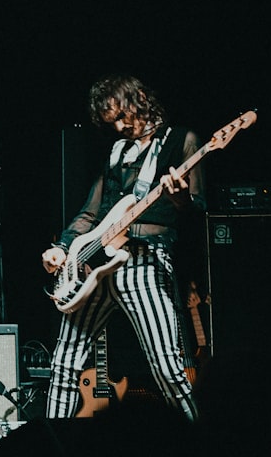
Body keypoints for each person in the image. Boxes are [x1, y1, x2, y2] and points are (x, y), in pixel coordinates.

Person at [41, 75, 203, 423]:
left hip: (144, 263)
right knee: (64, 365)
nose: (117, 127)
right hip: (97, 270)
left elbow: (197, 211)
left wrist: (178, 197)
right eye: (109, 121)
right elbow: (90, 213)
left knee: (167, 369)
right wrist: (62, 247)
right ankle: (50, 442)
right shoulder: (118, 152)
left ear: (139, 99)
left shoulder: (181, 141)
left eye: (120, 116)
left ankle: (204, 441)